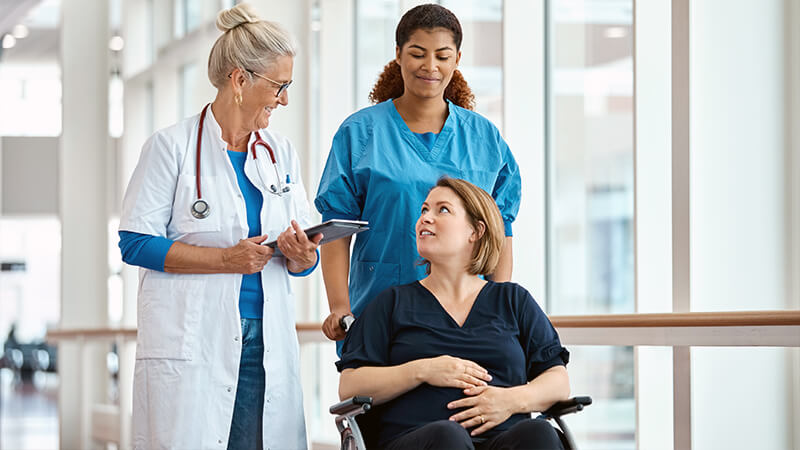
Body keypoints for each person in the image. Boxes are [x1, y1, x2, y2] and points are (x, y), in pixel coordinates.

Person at [118, 4, 319, 449]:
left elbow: (304, 250)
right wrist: (225, 259)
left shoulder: (280, 152)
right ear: (240, 80)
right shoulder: (170, 147)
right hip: (196, 340)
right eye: (279, 86)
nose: (284, 99)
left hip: (265, 337)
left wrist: (306, 256)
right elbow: (134, 243)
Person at [315, 4, 522, 351]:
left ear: (457, 59)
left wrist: (498, 305)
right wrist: (339, 307)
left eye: (442, 56)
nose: (430, 67)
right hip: (381, 314)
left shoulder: (484, 139)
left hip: (467, 318)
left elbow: (500, 230)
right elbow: (336, 228)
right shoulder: (361, 133)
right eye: (417, 54)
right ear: (398, 54)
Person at [337, 178, 570, 450]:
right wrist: (423, 370)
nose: (426, 218)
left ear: (475, 231)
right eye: (424, 210)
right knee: (448, 437)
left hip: (502, 440)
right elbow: (350, 386)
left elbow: (558, 381)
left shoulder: (513, 301)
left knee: (539, 434)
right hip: (420, 441)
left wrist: (510, 400)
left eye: (442, 210)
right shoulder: (392, 303)